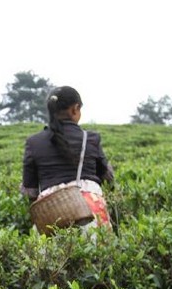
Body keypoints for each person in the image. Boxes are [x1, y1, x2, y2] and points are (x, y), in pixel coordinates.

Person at [21, 86, 114, 231]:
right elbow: (107, 177)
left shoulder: (34, 142)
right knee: (100, 251)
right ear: (75, 109)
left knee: (53, 254)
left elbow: (30, 190)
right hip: (89, 207)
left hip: (50, 212)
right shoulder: (90, 139)